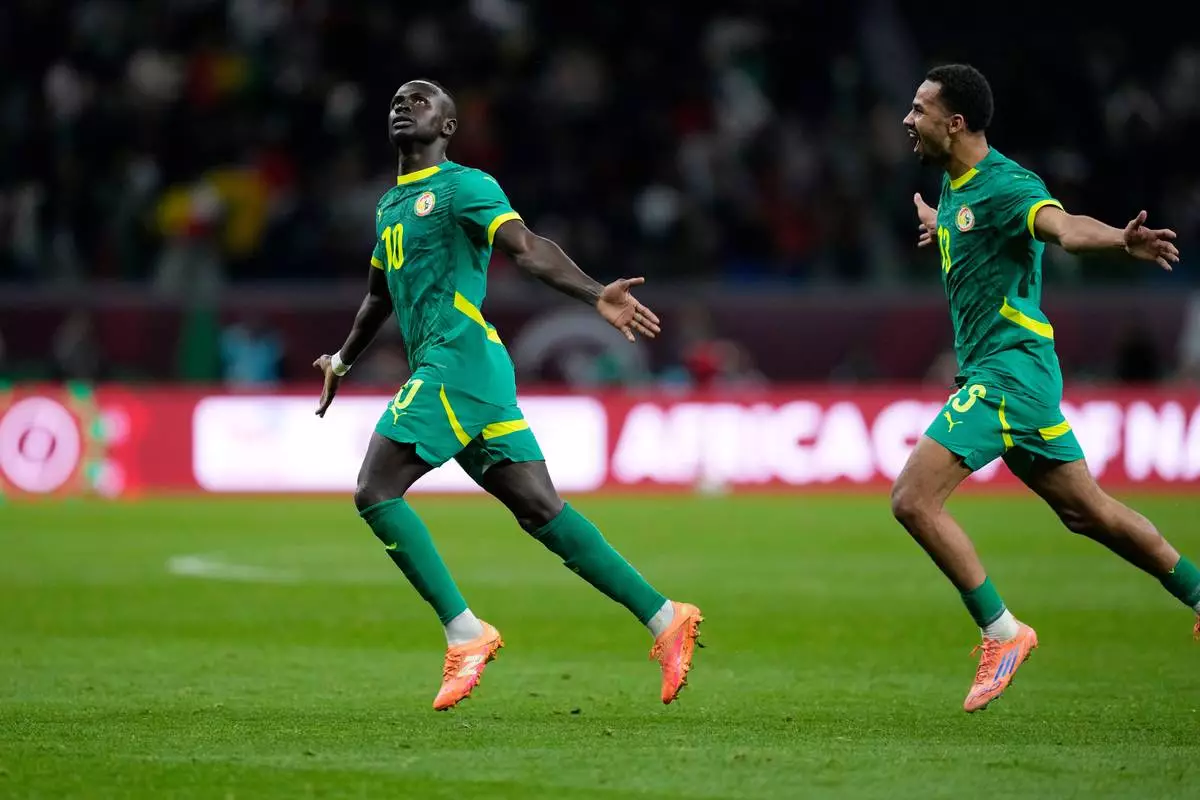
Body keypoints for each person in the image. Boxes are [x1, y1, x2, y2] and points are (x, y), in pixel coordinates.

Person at [312, 79, 703, 711]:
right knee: (540, 510)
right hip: (473, 375)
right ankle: (664, 617)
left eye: (421, 99)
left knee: (374, 489)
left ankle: (465, 632)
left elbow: (527, 249)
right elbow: (378, 297)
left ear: (448, 126)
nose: (403, 103)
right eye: (396, 99)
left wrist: (593, 290)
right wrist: (343, 359)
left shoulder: (464, 186)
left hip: (458, 363)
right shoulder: (389, 207)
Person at [894, 64, 1190, 712]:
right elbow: (963, 225)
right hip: (1017, 377)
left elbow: (1065, 227)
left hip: (1009, 371)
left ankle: (1003, 632)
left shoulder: (1007, 186)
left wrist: (1120, 239)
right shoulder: (952, 187)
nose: (907, 121)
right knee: (1091, 512)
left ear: (956, 122)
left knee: (913, 499)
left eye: (919, 110)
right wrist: (934, 221)